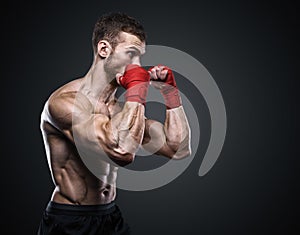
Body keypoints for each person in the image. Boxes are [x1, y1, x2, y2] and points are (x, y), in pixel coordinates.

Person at [37, 12, 191, 235]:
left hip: (110, 217)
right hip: (70, 220)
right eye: (131, 54)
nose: (138, 65)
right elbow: (120, 150)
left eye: (140, 57)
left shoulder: (120, 108)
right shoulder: (65, 103)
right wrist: (138, 88)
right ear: (104, 50)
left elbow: (178, 149)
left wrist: (170, 94)